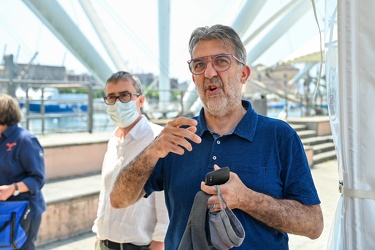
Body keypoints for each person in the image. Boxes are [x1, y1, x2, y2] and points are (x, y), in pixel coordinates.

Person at [110, 24, 324, 249]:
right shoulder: (175, 138)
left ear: (243, 74)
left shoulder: (280, 136)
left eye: (221, 61)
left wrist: (247, 199)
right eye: (199, 65)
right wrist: (151, 151)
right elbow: (118, 200)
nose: (209, 73)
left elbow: (313, 224)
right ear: (194, 79)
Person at [92, 71, 169, 250]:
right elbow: (105, 193)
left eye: (125, 95)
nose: (117, 103)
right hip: (105, 243)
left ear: (140, 100)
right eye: (111, 97)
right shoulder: (114, 141)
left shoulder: (157, 139)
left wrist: (159, 243)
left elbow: (165, 201)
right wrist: (99, 234)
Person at [0, 93, 46, 249]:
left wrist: (13, 189)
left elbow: (38, 179)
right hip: (4, 209)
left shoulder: (25, 140)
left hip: (24, 210)